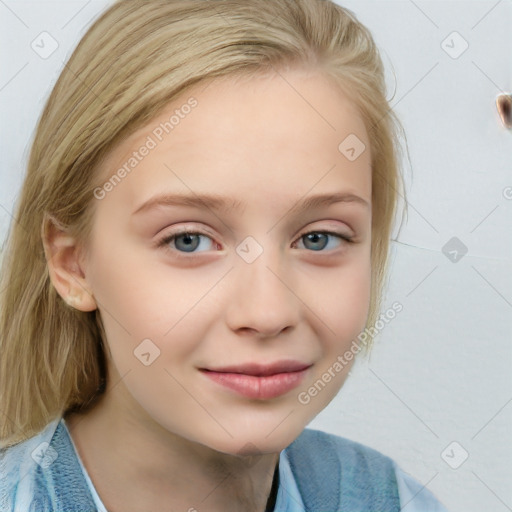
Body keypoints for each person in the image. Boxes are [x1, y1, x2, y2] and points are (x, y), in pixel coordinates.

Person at [0, 1, 449, 510]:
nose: (267, 313)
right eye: (188, 240)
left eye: (319, 238)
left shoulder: (392, 499)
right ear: (71, 263)